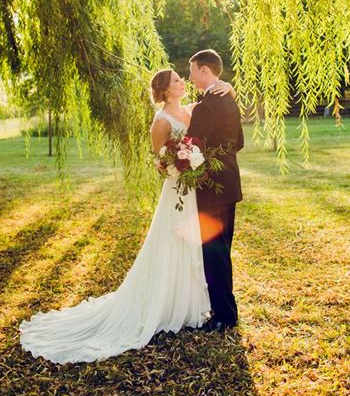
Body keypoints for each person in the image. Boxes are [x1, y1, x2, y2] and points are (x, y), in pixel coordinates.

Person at [19, 68, 235, 364]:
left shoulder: (191, 109)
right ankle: (162, 304)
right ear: (164, 89)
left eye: (181, 79)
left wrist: (227, 86)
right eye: (176, 80)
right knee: (171, 242)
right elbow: (160, 163)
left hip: (197, 191)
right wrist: (180, 164)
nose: (182, 82)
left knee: (195, 244)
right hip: (177, 191)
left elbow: (218, 98)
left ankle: (189, 304)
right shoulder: (160, 122)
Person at [187, 49, 244, 332]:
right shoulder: (230, 101)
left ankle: (223, 316)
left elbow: (191, 146)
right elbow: (239, 142)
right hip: (230, 183)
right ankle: (227, 310)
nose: (189, 76)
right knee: (223, 249)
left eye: (193, 70)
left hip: (211, 188)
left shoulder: (207, 106)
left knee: (213, 252)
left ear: (205, 71)